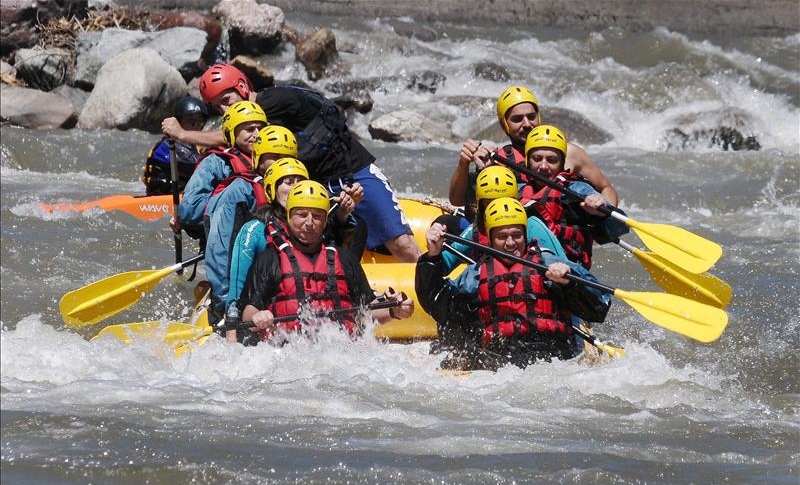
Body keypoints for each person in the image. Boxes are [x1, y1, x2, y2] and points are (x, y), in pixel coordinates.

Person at [162, 63, 421, 263]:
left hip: (355, 173)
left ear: (242, 87)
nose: (226, 112)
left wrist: (183, 134)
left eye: (227, 102)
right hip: (318, 185)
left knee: (402, 245)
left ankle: (435, 291)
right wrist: (190, 218)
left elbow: (230, 136)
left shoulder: (274, 102)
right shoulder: (251, 123)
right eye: (219, 108)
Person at [415, 197, 610, 371]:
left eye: (516, 235)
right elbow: (437, 304)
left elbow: (599, 306)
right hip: (502, 367)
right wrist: (432, 257)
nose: (510, 243)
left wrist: (569, 284)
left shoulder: (549, 264)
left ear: (525, 234)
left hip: (555, 362)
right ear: (490, 239)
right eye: (502, 237)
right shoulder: (475, 275)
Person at [240, 180, 415, 345]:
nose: (309, 223)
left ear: (325, 220)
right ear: (289, 216)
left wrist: (394, 310)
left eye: (317, 216)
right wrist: (257, 317)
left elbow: (368, 308)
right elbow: (248, 312)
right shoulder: (270, 259)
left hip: (338, 351)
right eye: (301, 215)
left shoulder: (344, 259)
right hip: (288, 353)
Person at [225, 155, 363, 342]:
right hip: (264, 303)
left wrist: (342, 217)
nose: (295, 188)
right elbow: (239, 289)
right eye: (288, 183)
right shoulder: (255, 230)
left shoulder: (315, 225)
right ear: (272, 188)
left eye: (300, 182)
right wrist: (233, 333)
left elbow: (341, 263)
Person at [448, 85, 618, 221]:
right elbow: (457, 201)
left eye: (531, 116)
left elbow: (605, 188)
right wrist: (464, 163)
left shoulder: (570, 153)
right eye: (517, 119)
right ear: (504, 124)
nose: (527, 124)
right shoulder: (498, 160)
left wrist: (602, 215)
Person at [196, 101, 270, 318]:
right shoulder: (221, 168)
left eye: (261, 128)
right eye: (249, 129)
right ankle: (222, 303)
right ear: (231, 133)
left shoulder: (285, 177)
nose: (256, 134)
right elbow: (190, 211)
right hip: (226, 238)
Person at [519, 125, 627, 269]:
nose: (543, 166)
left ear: (562, 163)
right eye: (537, 158)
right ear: (527, 161)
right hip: (530, 269)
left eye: (552, 160)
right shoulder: (518, 191)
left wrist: (600, 212)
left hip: (570, 271)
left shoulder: (576, 189)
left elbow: (619, 226)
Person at [142, 95, 208, 195]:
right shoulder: (168, 145)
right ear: (178, 123)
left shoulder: (195, 147)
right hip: (163, 196)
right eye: (191, 121)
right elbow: (195, 165)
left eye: (200, 122)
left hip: (183, 194)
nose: (196, 126)